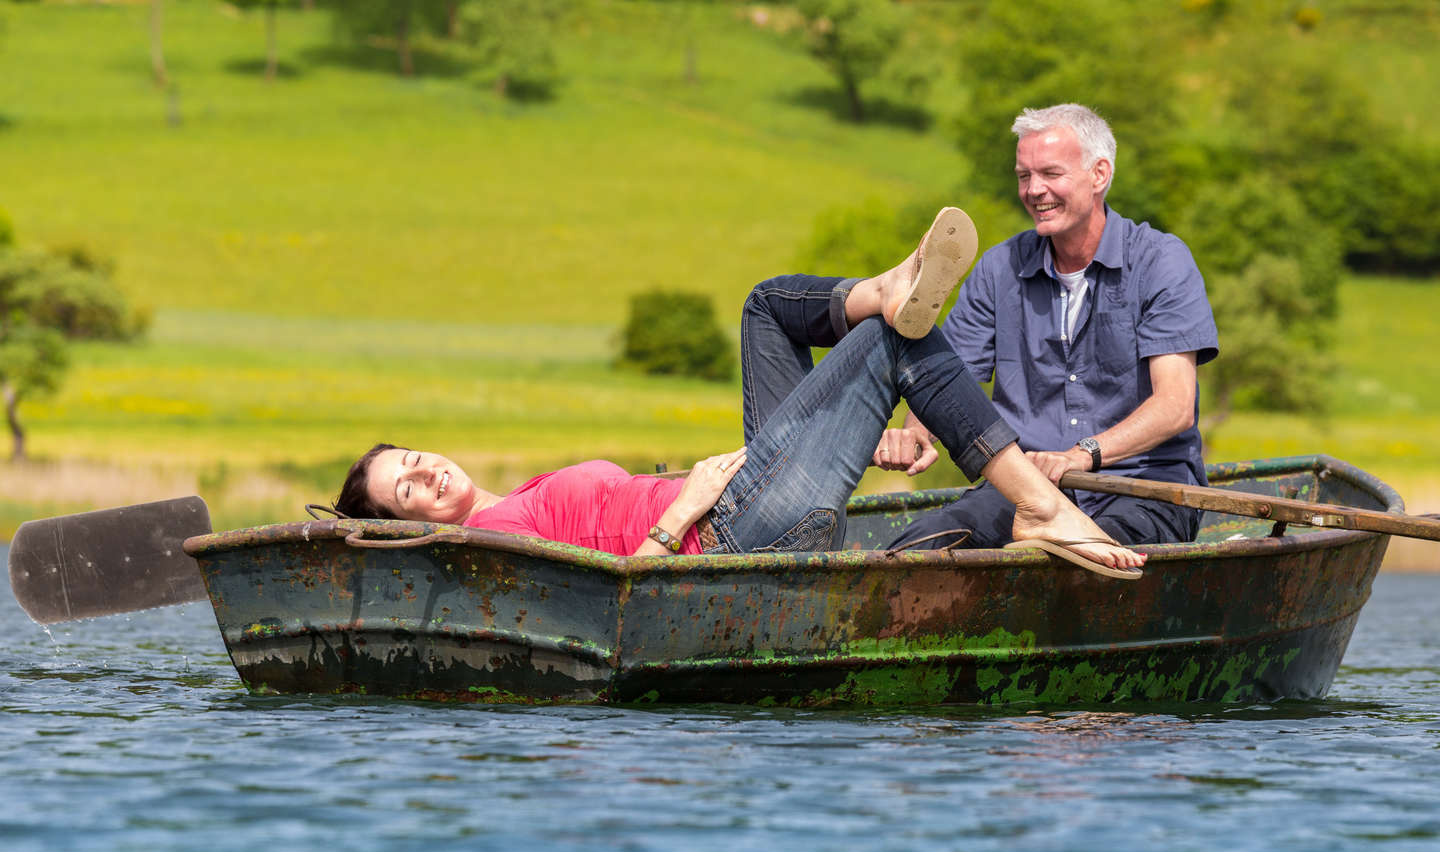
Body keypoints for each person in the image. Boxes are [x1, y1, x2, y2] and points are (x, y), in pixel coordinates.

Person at [333, 207, 1146, 578]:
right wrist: (679, 511)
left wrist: (850, 439)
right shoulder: (487, 549)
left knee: (767, 307)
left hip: (743, 497)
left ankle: (887, 286)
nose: (424, 473)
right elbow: (605, 602)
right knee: (894, 347)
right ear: (404, 525)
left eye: (412, 457)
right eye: (404, 488)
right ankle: (1038, 504)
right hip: (725, 537)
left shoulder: (523, 493)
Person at [749, 103, 1218, 552]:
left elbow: (1175, 407)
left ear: (1100, 174)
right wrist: (915, 433)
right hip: (1028, 491)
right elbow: (942, 375)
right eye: (1024, 176)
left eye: (1051, 174)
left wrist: (1081, 454)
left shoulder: (1160, 260)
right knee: (915, 551)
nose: (1034, 190)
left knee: (1086, 563)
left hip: (1142, 488)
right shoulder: (1000, 269)